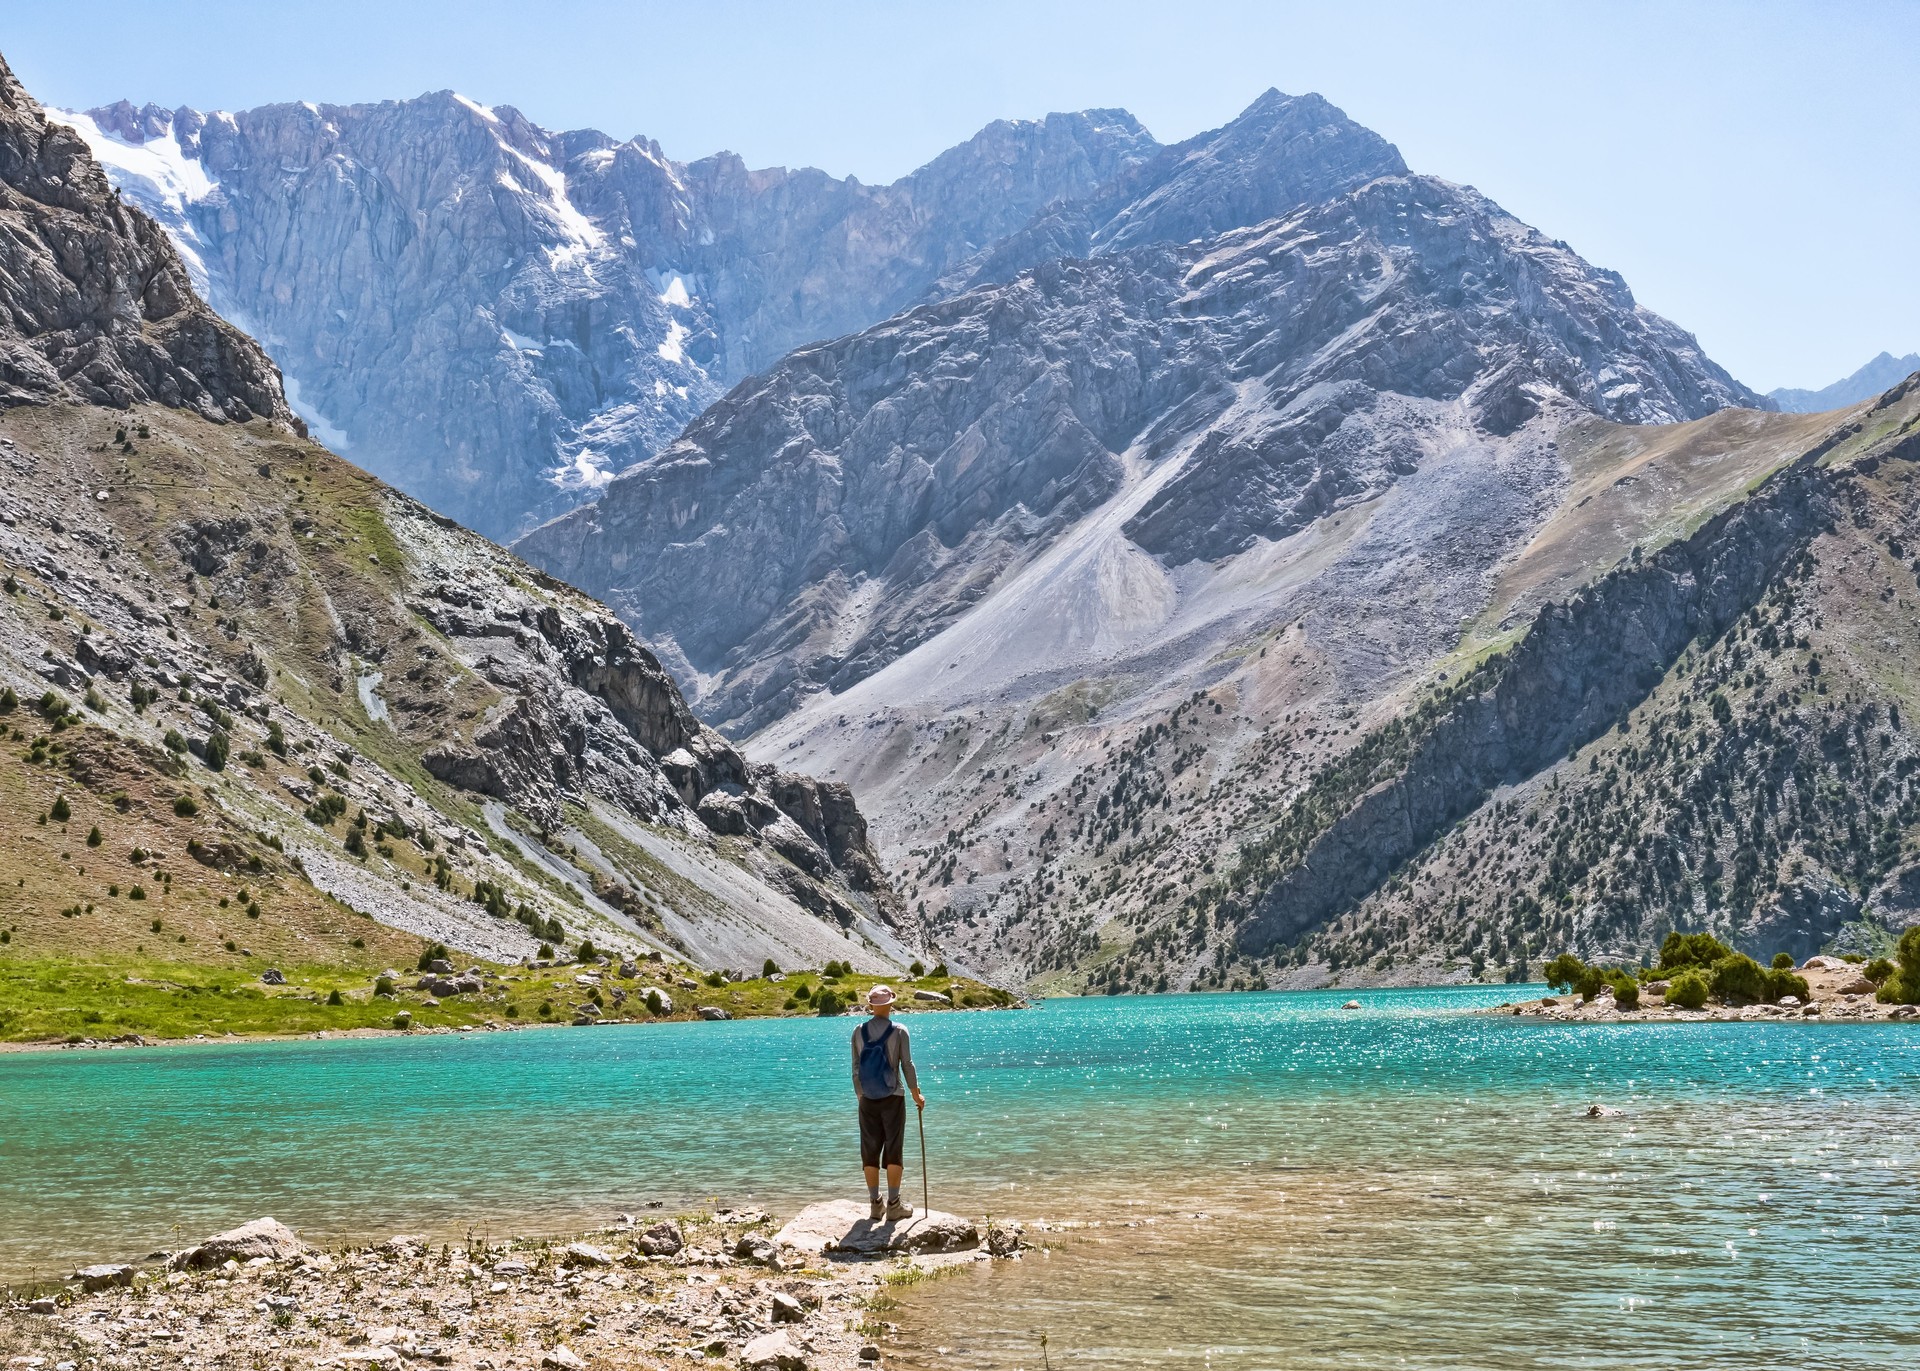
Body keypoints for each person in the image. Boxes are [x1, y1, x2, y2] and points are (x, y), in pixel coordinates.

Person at [852, 984, 924, 1221]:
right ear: (890, 1004)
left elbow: (855, 1070)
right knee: (894, 1149)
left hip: (867, 1099)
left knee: (869, 1152)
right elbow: (907, 1065)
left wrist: (862, 1096)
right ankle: (894, 1205)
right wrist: (916, 1094)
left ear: (871, 1005)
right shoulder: (900, 1030)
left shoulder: (858, 1031)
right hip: (893, 1097)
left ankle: (875, 1204)